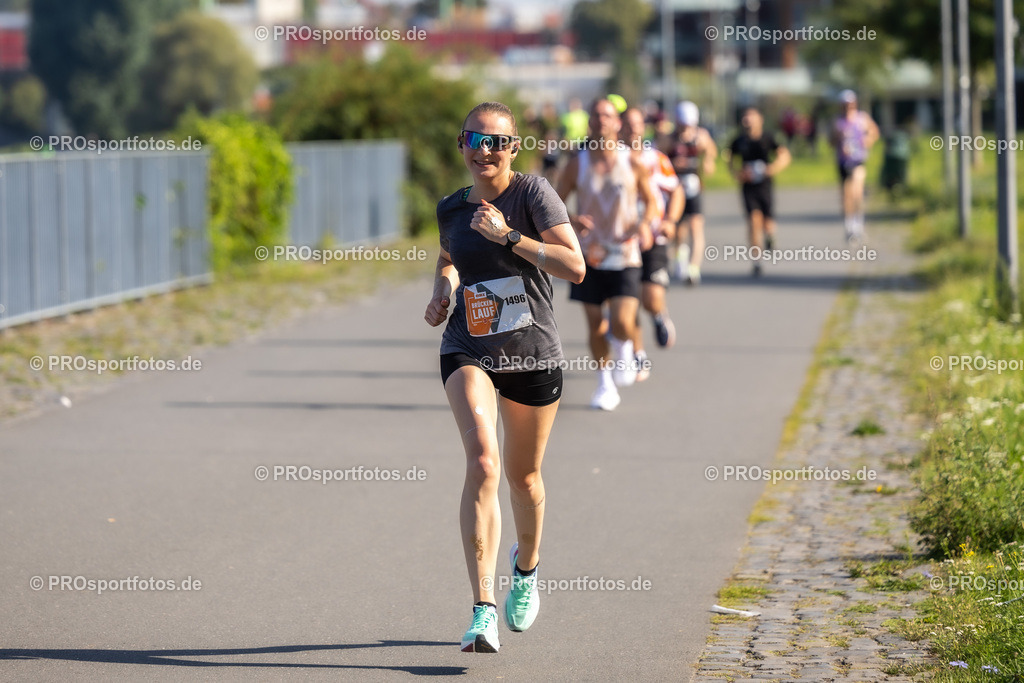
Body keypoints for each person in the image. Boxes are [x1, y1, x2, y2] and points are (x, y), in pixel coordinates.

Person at [424, 101, 586, 653]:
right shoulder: (450, 207)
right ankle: (482, 610)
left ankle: (527, 568)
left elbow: (574, 266)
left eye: (497, 141)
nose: (485, 150)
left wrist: (509, 237)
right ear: (462, 144)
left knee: (525, 479)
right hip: (467, 345)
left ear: (514, 147)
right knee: (483, 464)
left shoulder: (532, 194)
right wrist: (442, 289)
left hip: (531, 354)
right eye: (475, 139)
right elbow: (450, 257)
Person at [556, 98, 659, 410]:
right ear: (589, 122)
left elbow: (651, 201)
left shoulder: (632, 161)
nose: (601, 119)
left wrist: (643, 224)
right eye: (596, 114)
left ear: (617, 123)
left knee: (623, 322)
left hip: (625, 253)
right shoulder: (577, 164)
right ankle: (605, 384)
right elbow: (555, 203)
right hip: (589, 255)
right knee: (595, 325)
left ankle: (625, 347)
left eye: (607, 115)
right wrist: (572, 219)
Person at [621, 107, 684, 376]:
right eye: (628, 124)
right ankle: (639, 354)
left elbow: (676, 191)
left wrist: (670, 221)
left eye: (638, 124)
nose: (634, 129)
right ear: (619, 128)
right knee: (628, 302)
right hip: (622, 242)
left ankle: (659, 315)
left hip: (654, 237)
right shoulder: (611, 161)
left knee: (651, 298)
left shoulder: (656, 158)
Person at [727, 107, 791, 277]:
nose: (748, 121)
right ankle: (757, 259)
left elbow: (784, 155)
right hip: (748, 187)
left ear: (759, 120)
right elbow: (729, 158)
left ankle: (770, 237)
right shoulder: (739, 140)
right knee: (753, 220)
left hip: (765, 185)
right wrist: (737, 173)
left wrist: (772, 169)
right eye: (745, 118)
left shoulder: (768, 138)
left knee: (767, 223)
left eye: (752, 117)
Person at [664, 101, 717, 285]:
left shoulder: (701, 136)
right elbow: (658, 158)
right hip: (674, 191)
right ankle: (681, 256)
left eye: (689, 125)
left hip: (694, 187)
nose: (686, 129)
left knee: (696, 226)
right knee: (678, 231)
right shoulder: (669, 139)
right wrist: (672, 164)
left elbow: (711, 152)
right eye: (683, 125)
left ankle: (694, 268)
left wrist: (707, 162)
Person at [831, 89, 879, 243]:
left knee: (857, 192)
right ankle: (849, 226)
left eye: (850, 104)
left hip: (858, 160)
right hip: (843, 162)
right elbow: (831, 141)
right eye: (845, 104)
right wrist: (838, 139)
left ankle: (859, 225)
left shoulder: (861, 118)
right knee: (846, 196)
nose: (848, 107)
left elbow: (874, 132)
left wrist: (867, 141)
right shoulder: (838, 122)